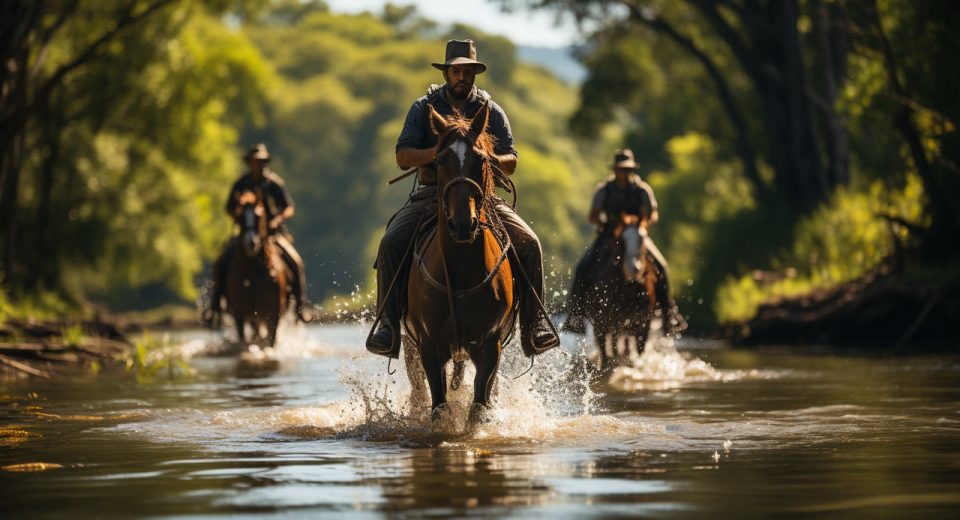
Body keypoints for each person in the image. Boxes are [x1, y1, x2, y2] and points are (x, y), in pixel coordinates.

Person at [366, 39, 560, 359]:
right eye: (457, 71)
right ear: (446, 73)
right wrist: (441, 153)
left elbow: (511, 160)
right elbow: (402, 155)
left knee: (530, 243)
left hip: (482, 196)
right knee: (390, 242)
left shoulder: (490, 110)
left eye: (468, 72)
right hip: (431, 194)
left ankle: (534, 324)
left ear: (474, 74)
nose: (463, 77)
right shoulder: (423, 107)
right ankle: (387, 325)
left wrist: (483, 156)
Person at [562, 149, 686, 335]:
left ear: (632, 169)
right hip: (609, 233)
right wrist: (604, 224)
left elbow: (653, 213)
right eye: (621, 169)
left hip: (636, 233)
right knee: (583, 267)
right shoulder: (604, 190)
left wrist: (643, 223)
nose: (624, 173)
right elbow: (593, 215)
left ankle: (669, 316)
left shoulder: (642, 190)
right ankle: (575, 316)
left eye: (627, 169)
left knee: (662, 265)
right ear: (615, 170)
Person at [203, 143, 311, 326]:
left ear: (265, 162)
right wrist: (240, 216)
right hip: (245, 233)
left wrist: (276, 220)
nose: (257, 165)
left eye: (261, 162)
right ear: (249, 163)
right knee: (221, 261)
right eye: (254, 162)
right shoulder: (241, 184)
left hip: (273, 235)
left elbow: (289, 207)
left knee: (296, 262)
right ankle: (214, 307)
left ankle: (302, 306)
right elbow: (229, 207)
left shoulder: (274, 183)